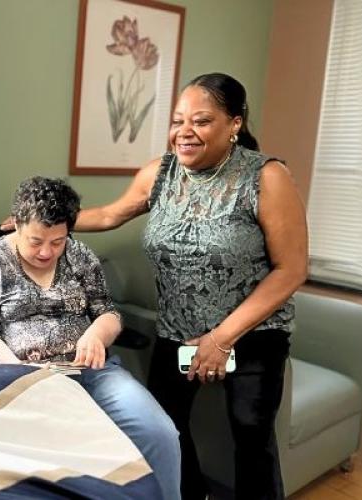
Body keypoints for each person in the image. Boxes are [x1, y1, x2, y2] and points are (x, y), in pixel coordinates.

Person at [37, 73, 308, 500]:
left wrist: (221, 339)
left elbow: (290, 270)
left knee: (251, 438)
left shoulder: (266, 176)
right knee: (166, 426)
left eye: (200, 121)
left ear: (234, 124)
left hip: (251, 335)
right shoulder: (160, 173)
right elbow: (109, 215)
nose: (184, 132)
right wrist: (41, 224)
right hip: (178, 330)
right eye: (178, 120)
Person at [0, 176, 182, 500]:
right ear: (16, 225)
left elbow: (108, 312)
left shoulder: (79, 255)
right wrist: (12, 367)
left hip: (92, 372)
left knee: (160, 432)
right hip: (25, 378)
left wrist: (96, 333)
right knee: (57, 449)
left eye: (57, 241)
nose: (46, 252)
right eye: (36, 240)